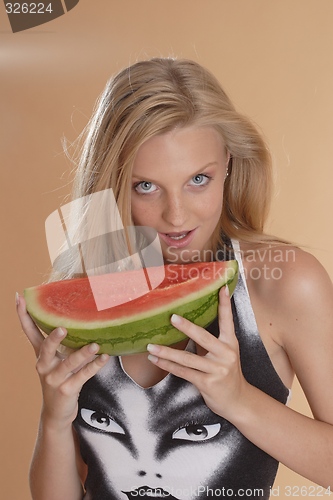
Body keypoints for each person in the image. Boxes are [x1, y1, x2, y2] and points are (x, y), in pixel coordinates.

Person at [16, 58, 333, 500]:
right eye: (146, 186)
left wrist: (239, 400)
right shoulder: (91, 289)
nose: (176, 216)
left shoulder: (282, 283)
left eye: (198, 179)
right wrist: (54, 417)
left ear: (228, 164)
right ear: (112, 182)